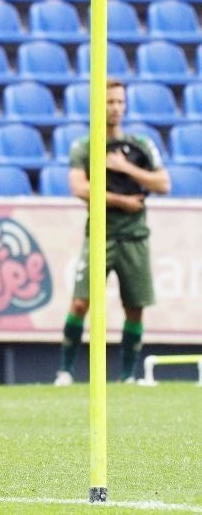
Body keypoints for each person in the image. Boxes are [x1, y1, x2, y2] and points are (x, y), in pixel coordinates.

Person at [54, 78, 170, 387]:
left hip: (134, 236)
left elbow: (163, 183)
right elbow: (79, 188)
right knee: (81, 303)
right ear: (98, 105)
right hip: (100, 233)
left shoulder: (141, 144)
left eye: (120, 102)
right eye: (110, 102)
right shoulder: (85, 146)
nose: (116, 108)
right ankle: (65, 372)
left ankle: (128, 376)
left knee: (134, 307)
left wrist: (125, 167)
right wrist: (120, 200)